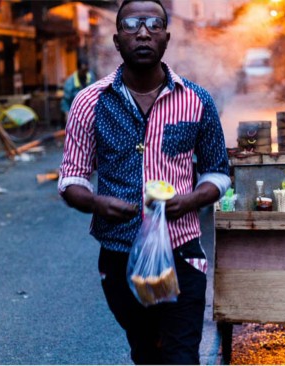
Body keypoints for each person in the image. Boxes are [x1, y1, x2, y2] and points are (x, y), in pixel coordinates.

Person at [57, 0, 231, 364]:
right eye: (132, 24)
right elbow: (72, 176)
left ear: (166, 39)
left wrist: (192, 199)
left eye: (153, 24)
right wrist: (95, 202)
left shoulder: (197, 101)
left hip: (181, 251)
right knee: (146, 351)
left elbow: (218, 171)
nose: (143, 32)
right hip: (120, 254)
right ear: (117, 39)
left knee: (181, 355)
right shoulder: (89, 103)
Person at [60, 58, 96, 127]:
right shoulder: (70, 83)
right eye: (83, 71)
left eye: (86, 70)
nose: (85, 73)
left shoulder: (91, 78)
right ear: (78, 69)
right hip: (75, 116)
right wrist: (67, 116)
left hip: (89, 116)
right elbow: (65, 102)